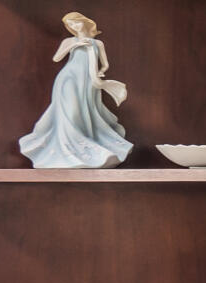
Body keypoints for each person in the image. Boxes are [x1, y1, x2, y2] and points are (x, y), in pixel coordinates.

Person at [19, 12, 132, 168]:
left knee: (85, 112)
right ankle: (67, 149)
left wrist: (101, 72)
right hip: (68, 79)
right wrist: (75, 44)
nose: (74, 26)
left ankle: (85, 148)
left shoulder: (97, 44)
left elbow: (105, 64)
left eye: (75, 22)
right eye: (70, 25)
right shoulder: (69, 41)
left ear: (83, 22)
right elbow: (57, 58)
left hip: (88, 82)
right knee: (70, 112)